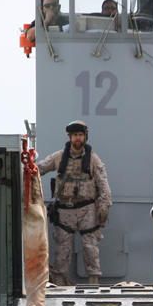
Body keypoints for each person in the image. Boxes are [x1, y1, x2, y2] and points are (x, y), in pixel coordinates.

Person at [37, 120, 113, 286]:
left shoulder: (93, 160)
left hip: (88, 210)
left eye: (80, 135)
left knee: (90, 249)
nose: (78, 139)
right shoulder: (58, 157)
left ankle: (94, 285)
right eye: (75, 135)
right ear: (69, 137)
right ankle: (59, 286)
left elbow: (103, 185)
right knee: (62, 251)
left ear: (85, 137)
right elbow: (39, 168)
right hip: (64, 211)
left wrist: (104, 207)